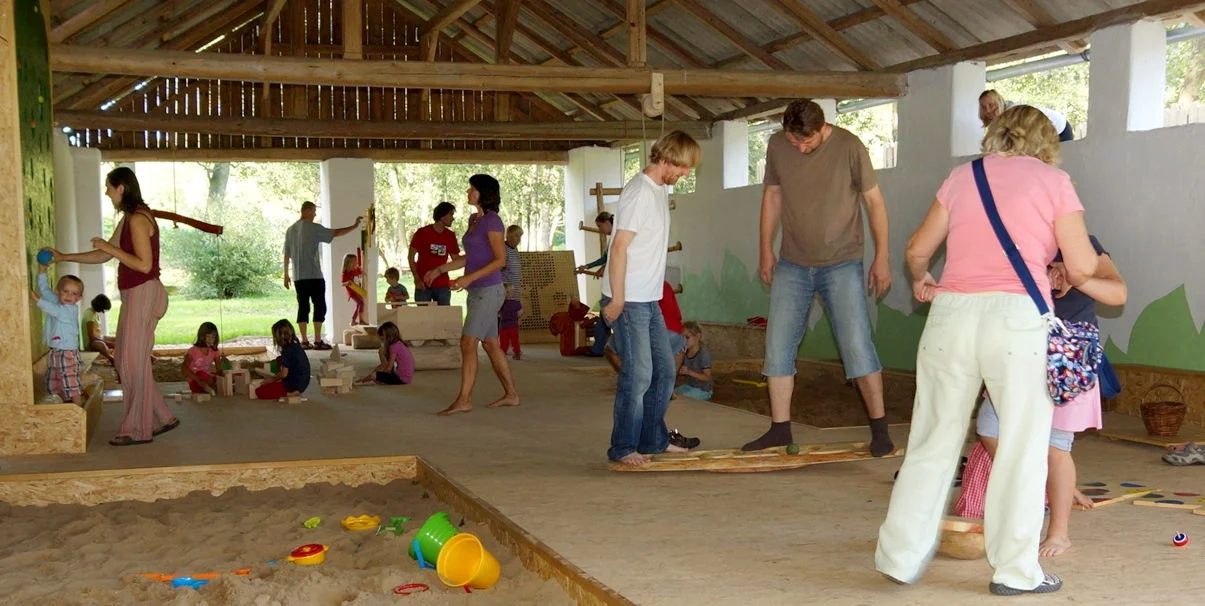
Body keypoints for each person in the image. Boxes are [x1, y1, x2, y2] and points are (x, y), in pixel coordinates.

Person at [876, 105, 1100, 596]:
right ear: (1045, 142)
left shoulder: (961, 177)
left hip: (951, 316)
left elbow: (917, 250)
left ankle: (899, 557)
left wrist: (922, 277)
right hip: (1017, 322)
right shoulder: (1054, 182)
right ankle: (1016, 573)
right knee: (1022, 449)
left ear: (996, 133)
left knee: (932, 440)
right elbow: (1082, 267)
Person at [954, 235, 1126, 558]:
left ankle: (1059, 532)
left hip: (1067, 356)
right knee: (990, 427)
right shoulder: (1013, 239)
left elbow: (1118, 293)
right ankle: (1047, 486)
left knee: (1055, 446)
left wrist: (1077, 277)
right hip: (1020, 350)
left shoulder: (1080, 242)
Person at [743, 98, 895, 456]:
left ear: (822, 128)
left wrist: (882, 257)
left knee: (857, 344)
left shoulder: (850, 147)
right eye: (793, 140)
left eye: (806, 141)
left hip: (842, 262)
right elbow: (772, 197)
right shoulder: (777, 146)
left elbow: (875, 203)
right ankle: (780, 429)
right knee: (777, 345)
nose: (799, 148)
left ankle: (880, 430)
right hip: (792, 263)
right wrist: (765, 248)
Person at [48, 167, 179, 445]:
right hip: (136, 295)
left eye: (109, 187)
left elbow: (144, 265)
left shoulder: (138, 219)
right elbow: (103, 254)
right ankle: (163, 416)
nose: (107, 193)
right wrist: (64, 257)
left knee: (130, 364)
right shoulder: (129, 218)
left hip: (144, 292)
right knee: (129, 361)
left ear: (121, 188)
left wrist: (111, 249)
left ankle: (137, 429)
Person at [602, 131, 702, 467]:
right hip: (629, 298)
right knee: (639, 374)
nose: (686, 173)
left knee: (665, 370)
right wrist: (617, 299)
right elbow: (619, 248)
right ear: (667, 158)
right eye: (684, 167)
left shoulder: (659, 189)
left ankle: (653, 440)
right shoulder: (640, 193)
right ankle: (623, 447)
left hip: (649, 298)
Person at [423, 175, 520, 415]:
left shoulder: (493, 221)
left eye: (472, 189)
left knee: (468, 342)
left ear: (483, 193)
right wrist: (440, 269)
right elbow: (472, 257)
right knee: (491, 344)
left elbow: (500, 260)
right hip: (477, 291)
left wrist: (469, 278)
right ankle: (511, 395)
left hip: (489, 291)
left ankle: (464, 400)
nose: (468, 191)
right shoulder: (474, 219)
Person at [283, 200, 363, 350]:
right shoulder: (313, 228)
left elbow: (286, 255)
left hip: (299, 277)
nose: (315, 214)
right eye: (313, 211)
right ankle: (318, 340)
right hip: (314, 275)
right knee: (319, 306)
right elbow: (335, 233)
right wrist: (354, 226)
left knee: (303, 307)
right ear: (307, 211)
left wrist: (286, 274)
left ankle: (304, 341)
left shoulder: (290, 230)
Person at [29, 261, 84, 403]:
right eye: (65, 291)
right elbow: (45, 290)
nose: (69, 296)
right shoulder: (56, 300)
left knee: (70, 380)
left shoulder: (70, 309)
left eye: (74, 294)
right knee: (54, 381)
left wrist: (37, 300)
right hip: (55, 350)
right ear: (57, 291)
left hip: (67, 352)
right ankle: (64, 404)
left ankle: (78, 408)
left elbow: (55, 311)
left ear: (79, 298)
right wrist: (42, 271)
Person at [409, 202, 459, 306]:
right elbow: (411, 256)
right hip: (423, 284)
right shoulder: (422, 233)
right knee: (422, 315)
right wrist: (416, 279)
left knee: (443, 315)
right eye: (451, 214)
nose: (453, 218)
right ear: (442, 216)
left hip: (442, 285)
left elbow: (457, 259)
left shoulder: (450, 236)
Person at [578, 212, 615, 356]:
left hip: (614, 288)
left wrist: (604, 267)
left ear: (607, 223)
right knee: (603, 320)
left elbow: (613, 260)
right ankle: (599, 348)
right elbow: (605, 259)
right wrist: (588, 266)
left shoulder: (618, 237)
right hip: (610, 287)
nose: (600, 230)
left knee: (605, 320)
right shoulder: (613, 239)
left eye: (600, 226)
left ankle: (600, 349)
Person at [979, 90, 1075, 143]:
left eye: (991, 105)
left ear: (999, 102)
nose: (988, 110)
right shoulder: (999, 121)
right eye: (984, 107)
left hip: (1060, 131)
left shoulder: (1014, 113)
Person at [255, 319, 312, 400]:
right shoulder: (296, 343)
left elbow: (284, 374)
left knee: (259, 392)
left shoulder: (287, 350)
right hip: (303, 382)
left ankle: (290, 393)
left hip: (294, 384)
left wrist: (273, 379)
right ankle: (286, 386)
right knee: (279, 359)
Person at [359, 321, 415, 385]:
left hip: (401, 379)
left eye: (382, 339)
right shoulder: (398, 343)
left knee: (374, 375)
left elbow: (389, 368)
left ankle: (362, 380)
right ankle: (370, 378)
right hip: (403, 377)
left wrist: (373, 376)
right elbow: (385, 365)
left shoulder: (394, 346)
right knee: (376, 373)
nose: (382, 341)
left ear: (387, 337)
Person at [182, 322, 229, 395]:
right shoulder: (193, 351)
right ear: (201, 336)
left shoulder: (214, 351)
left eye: (213, 337)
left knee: (223, 377)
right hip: (195, 380)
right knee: (201, 374)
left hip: (207, 379)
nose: (210, 340)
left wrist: (225, 363)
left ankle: (210, 388)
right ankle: (209, 388)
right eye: (208, 337)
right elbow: (184, 368)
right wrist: (199, 380)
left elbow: (219, 369)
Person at [499, 224, 524, 360]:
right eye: (516, 235)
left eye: (520, 236)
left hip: (516, 289)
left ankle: (515, 347)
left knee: (513, 322)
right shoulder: (504, 248)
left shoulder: (515, 250)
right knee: (504, 320)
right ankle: (501, 347)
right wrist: (505, 287)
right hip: (506, 290)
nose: (518, 239)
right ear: (508, 235)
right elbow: (499, 267)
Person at [675, 322, 714, 401]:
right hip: (690, 386)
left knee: (682, 399)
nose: (684, 341)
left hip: (703, 390)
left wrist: (689, 372)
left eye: (687, 337)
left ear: (698, 336)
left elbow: (707, 377)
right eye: (682, 338)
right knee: (672, 393)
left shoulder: (703, 354)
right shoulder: (685, 352)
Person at [82, 294, 116, 367]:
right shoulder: (89, 315)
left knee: (114, 339)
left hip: (98, 338)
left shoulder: (94, 313)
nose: (103, 311)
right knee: (102, 344)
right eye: (103, 309)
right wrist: (107, 343)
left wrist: (108, 341)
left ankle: (118, 354)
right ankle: (111, 358)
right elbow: (91, 337)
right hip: (91, 343)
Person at [341, 253, 367, 326]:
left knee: (359, 304)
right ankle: (360, 320)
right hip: (352, 292)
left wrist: (362, 272)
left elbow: (360, 272)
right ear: (349, 263)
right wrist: (347, 283)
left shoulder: (355, 270)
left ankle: (354, 321)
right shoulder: (346, 273)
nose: (356, 263)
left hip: (358, 290)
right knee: (361, 303)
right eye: (355, 262)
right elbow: (342, 283)